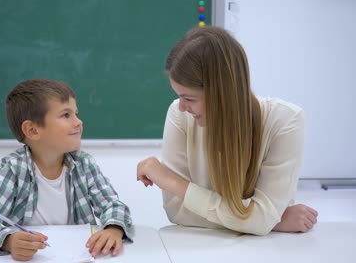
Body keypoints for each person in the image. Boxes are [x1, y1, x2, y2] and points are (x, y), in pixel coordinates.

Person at [136, 26, 318, 235]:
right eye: (179, 96)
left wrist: (171, 182)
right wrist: (266, 221)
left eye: (189, 98)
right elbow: (178, 212)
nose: (181, 106)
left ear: (222, 94)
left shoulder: (286, 121)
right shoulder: (179, 116)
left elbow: (262, 218)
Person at [0, 79, 132, 261]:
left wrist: (114, 229)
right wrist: (8, 240)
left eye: (76, 114)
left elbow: (113, 205)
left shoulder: (84, 164)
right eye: (65, 115)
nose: (79, 122)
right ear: (32, 130)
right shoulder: (14, 168)